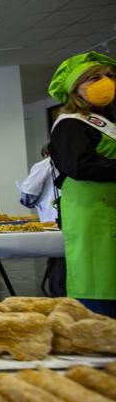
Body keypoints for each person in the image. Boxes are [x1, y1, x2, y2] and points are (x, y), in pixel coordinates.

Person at [47, 51, 116, 317]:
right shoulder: (71, 125)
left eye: (109, 76)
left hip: (106, 208)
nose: (106, 82)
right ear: (76, 88)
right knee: (98, 281)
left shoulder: (104, 121)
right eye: (95, 78)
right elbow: (79, 165)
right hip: (92, 214)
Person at [19, 143, 65, 296]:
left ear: (46, 154)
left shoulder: (44, 165)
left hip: (53, 220)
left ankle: (60, 300)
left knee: (59, 261)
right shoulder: (71, 162)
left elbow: (28, 196)